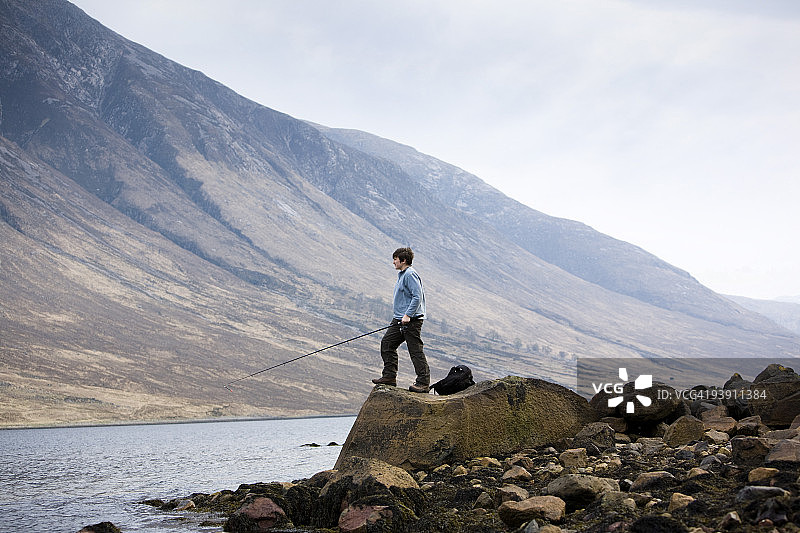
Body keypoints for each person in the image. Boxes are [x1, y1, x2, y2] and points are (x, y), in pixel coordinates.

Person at [372, 247, 430, 393]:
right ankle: (389, 377)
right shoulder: (402, 274)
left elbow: (417, 296)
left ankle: (423, 383)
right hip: (399, 319)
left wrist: (408, 315)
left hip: (411, 320)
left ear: (403, 260)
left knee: (415, 350)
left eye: (395, 259)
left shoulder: (410, 274)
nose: (393, 262)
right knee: (387, 344)